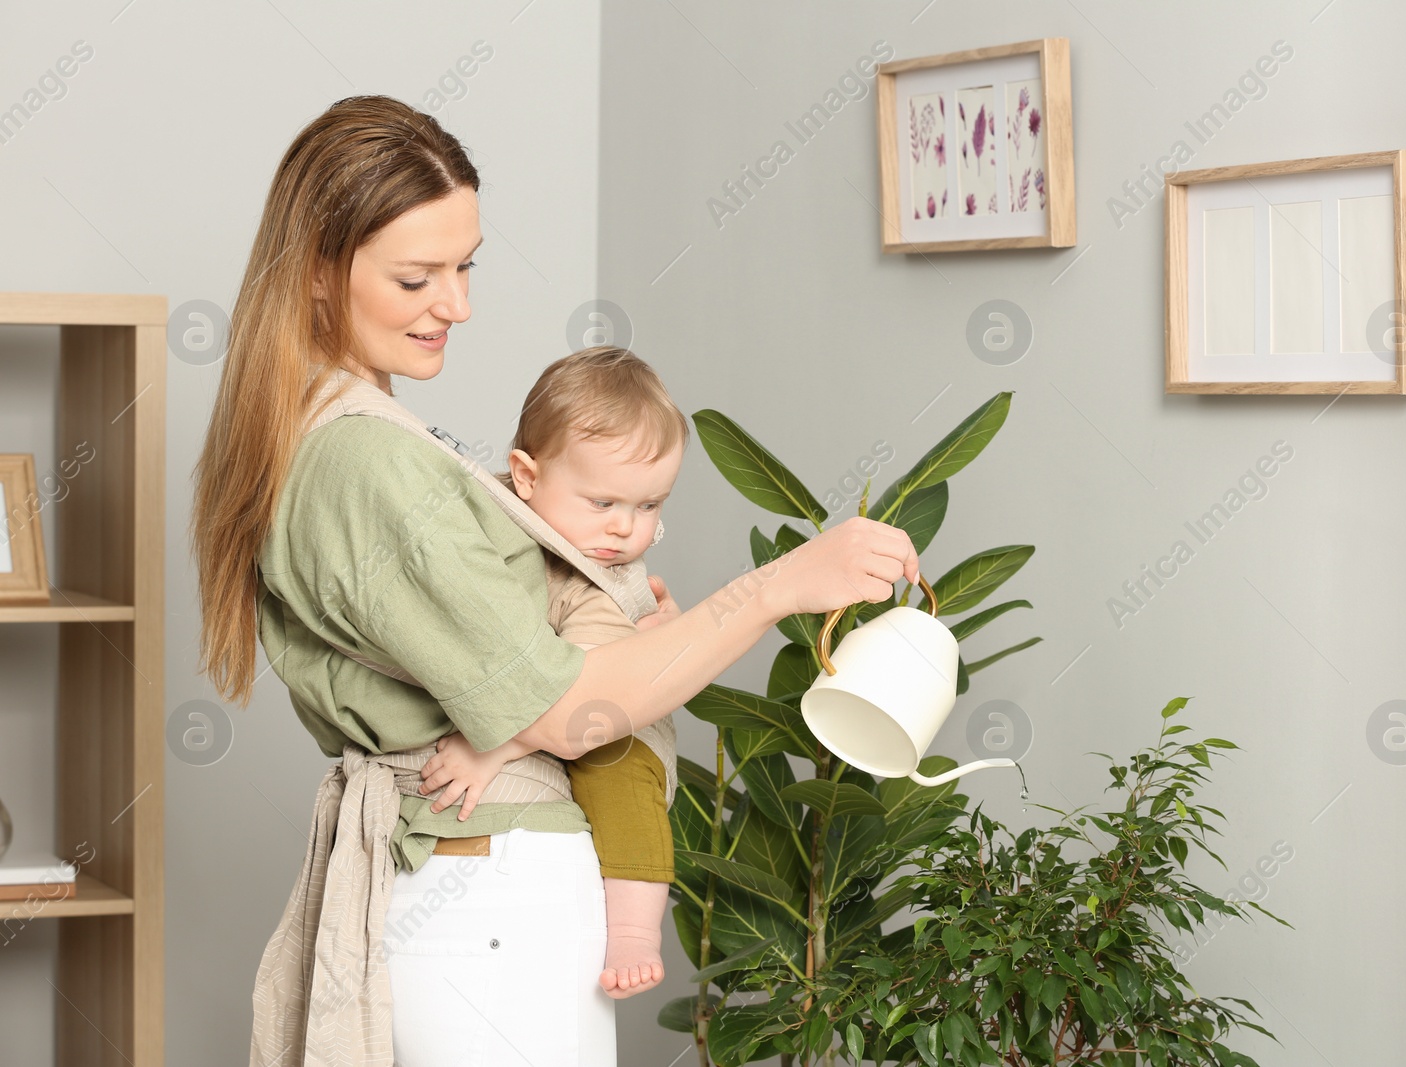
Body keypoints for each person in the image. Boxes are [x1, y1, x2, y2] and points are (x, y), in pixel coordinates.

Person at [189, 94, 920, 1067]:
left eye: (464, 266)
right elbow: (568, 713)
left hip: (463, 887)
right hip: (491, 893)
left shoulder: (323, 429)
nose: (457, 306)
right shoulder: (370, 463)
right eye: (416, 276)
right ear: (319, 271)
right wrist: (783, 584)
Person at [422, 345, 690, 1000]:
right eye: (602, 501)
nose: (626, 527)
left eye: (649, 506)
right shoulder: (499, 516)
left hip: (613, 720)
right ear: (524, 475)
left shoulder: (601, 581)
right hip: (547, 698)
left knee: (621, 778)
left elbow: (587, 689)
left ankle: (633, 927)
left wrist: (498, 745)